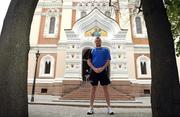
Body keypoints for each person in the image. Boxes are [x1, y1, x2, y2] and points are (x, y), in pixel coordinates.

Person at [86, 37, 114, 115]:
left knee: (106, 90)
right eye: (96, 40)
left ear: (101, 41)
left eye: (99, 40)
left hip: (103, 72)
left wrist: (102, 68)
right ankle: (91, 108)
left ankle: (109, 108)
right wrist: (94, 68)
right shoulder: (91, 50)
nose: (98, 41)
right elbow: (88, 61)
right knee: (93, 90)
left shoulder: (105, 50)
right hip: (94, 72)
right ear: (95, 42)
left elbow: (108, 60)